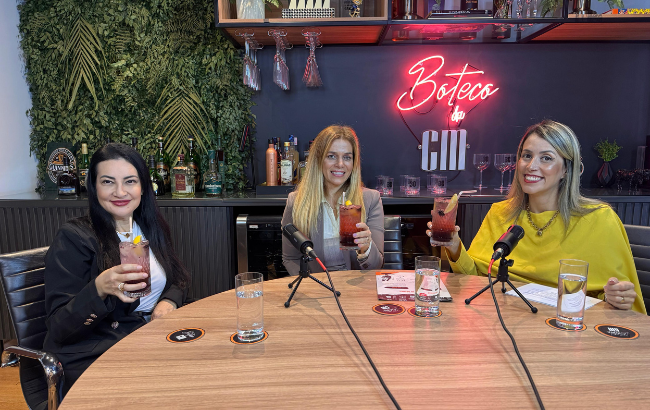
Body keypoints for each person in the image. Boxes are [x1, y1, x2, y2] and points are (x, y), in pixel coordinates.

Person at [428, 120, 646, 314]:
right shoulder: (500, 212)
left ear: (566, 170)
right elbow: (476, 278)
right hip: (504, 317)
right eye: (527, 156)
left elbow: (616, 299)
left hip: (566, 324)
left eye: (546, 158)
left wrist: (615, 296)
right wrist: (454, 246)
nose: (531, 166)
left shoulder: (600, 219)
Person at [44, 143, 191, 396]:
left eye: (130, 181)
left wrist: (169, 301)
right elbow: (59, 327)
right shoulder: (74, 237)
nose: (120, 192)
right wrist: (98, 289)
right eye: (108, 182)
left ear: (143, 187)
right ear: (94, 187)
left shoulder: (149, 226)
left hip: (150, 337)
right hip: (98, 352)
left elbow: (178, 277)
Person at [282, 125, 384, 275]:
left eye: (347, 157)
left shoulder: (371, 200)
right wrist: (312, 287)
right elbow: (291, 258)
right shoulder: (296, 201)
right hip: (317, 285)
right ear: (318, 160)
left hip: (356, 286)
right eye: (331, 156)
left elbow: (376, 266)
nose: (340, 164)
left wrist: (366, 248)